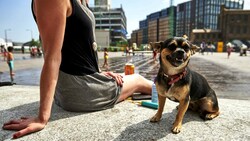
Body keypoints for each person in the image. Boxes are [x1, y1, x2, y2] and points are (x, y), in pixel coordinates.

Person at [2, 0, 153, 139]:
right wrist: (42, 118)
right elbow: (52, 58)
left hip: (81, 82)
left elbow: (80, 47)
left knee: (125, 75)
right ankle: (171, 92)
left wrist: (99, 72)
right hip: (80, 89)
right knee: (138, 79)